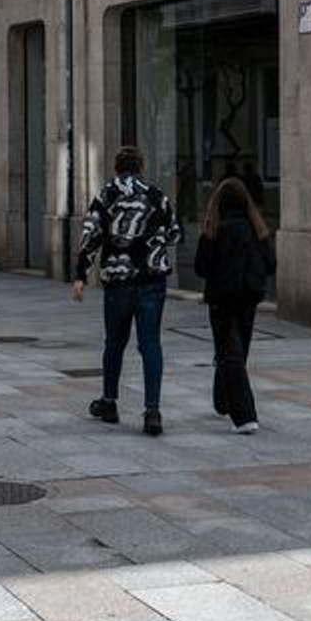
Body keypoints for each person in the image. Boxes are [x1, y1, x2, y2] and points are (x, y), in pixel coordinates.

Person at [72, 146, 182, 437]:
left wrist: (80, 275)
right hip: (152, 282)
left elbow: (90, 235)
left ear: (117, 168)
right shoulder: (157, 195)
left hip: (119, 282)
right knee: (150, 345)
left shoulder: (106, 194)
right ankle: (152, 410)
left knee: (114, 343)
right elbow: (175, 233)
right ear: (141, 167)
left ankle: (109, 402)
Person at [194, 178, 276, 434]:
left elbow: (201, 267)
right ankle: (226, 401)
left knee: (230, 355)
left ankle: (243, 415)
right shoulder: (258, 230)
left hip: (222, 299)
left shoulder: (214, 230)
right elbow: (271, 264)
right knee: (236, 353)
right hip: (248, 297)